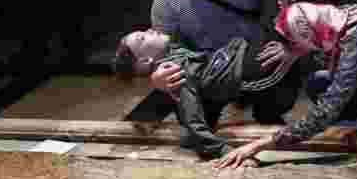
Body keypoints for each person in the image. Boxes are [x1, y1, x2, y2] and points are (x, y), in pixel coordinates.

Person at [214, 0, 357, 169]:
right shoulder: (345, 15)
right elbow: (314, 35)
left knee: (338, 132)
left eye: (297, 41)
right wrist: (294, 51)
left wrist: (262, 144)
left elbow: (325, 111)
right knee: (319, 82)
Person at [148, 0, 300, 123]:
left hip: (252, 54)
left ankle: (268, 113)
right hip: (210, 67)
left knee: (281, 64)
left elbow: (279, 7)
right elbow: (160, 48)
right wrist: (158, 74)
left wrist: (287, 45)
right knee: (185, 107)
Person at [113, 26, 296, 159]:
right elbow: (193, 121)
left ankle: (140, 121)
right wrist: (224, 150)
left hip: (245, 56)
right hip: (251, 69)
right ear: (146, 60)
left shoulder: (173, 48)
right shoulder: (173, 71)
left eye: (143, 32)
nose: (150, 30)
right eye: (142, 38)